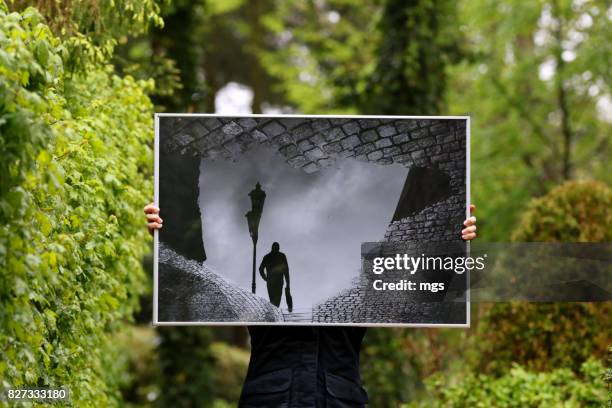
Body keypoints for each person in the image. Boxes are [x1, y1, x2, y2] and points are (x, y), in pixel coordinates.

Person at [144, 203, 477, 407]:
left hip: (337, 399)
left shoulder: (361, 277)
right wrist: (167, 234)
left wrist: (453, 242)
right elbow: (207, 270)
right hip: (271, 398)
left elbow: (427, 287)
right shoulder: (257, 273)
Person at [259, 242, 290, 307]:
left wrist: (265, 278)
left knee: (272, 301)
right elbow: (286, 271)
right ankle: (275, 314)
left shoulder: (267, 257)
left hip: (270, 282)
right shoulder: (282, 256)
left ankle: (274, 314)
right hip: (279, 282)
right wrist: (287, 283)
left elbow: (261, 269)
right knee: (277, 301)